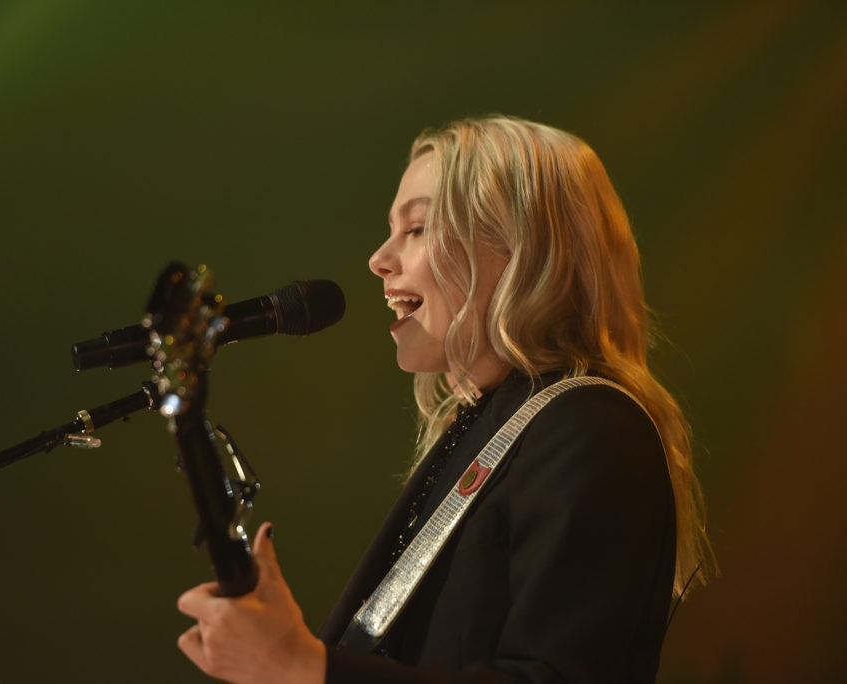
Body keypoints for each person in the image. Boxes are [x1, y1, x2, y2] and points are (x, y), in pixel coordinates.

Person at [176, 115, 713, 683]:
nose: (378, 259)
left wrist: (300, 666)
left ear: (518, 248)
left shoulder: (589, 426)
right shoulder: (492, 422)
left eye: (416, 229)